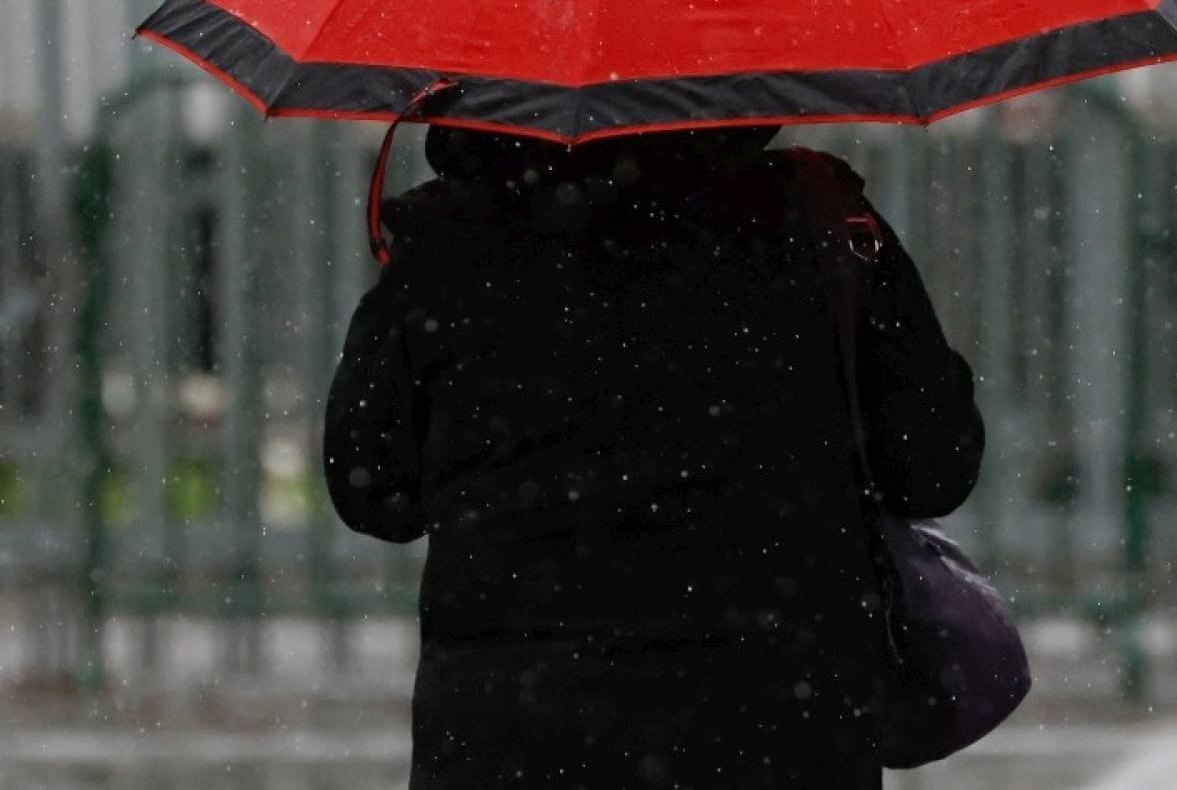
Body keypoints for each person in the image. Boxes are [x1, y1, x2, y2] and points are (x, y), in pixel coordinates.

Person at [324, 125, 984, 789]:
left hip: (514, 740)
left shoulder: (446, 241)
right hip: (777, 729)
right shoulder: (815, 214)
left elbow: (374, 489)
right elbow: (933, 466)